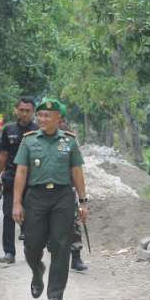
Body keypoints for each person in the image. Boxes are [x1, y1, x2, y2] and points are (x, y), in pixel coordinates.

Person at [12, 98, 88, 300]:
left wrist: (83, 201)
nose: (42, 119)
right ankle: (37, 271)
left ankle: (55, 293)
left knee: (61, 244)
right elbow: (21, 172)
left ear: (58, 119)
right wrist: (16, 203)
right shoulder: (29, 141)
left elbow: (77, 172)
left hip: (62, 196)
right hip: (35, 197)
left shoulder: (69, 141)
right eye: (40, 115)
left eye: (47, 116)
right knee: (32, 244)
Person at [0, 97, 38, 264]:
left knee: (32, 216)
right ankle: (9, 253)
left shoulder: (38, 130)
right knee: (8, 215)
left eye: (28, 110)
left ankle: (31, 250)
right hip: (12, 178)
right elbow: (3, 155)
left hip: (33, 180)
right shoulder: (8, 129)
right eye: (22, 110)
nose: (24, 113)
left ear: (33, 112)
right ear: (16, 110)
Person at [57, 117, 88, 272]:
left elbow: (77, 170)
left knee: (74, 225)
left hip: (68, 189)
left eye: (63, 122)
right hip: (47, 192)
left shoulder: (70, 142)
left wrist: (82, 198)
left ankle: (76, 257)